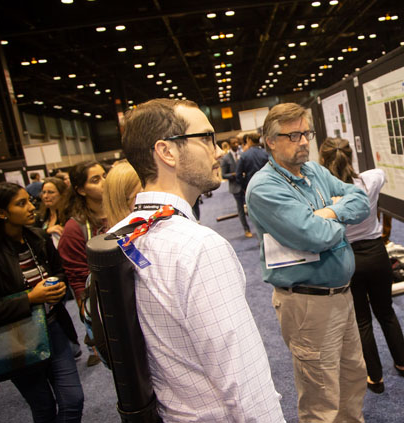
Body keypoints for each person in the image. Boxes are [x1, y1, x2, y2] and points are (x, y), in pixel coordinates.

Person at [117, 98, 283, 422]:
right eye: (206, 138)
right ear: (167, 152)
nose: (218, 150)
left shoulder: (121, 234)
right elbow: (245, 383)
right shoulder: (199, 248)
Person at [246, 103, 370, 423]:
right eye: (294, 135)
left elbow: (360, 200)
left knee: (352, 379)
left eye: (306, 134)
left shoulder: (314, 171)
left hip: (342, 294)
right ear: (270, 141)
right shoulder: (264, 188)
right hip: (307, 304)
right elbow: (315, 236)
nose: (304, 141)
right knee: (320, 399)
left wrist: (328, 212)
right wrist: (331, 216)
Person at [0, 182, 84, 422]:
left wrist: (57, 284)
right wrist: (29, 298)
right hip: (16, 340)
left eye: (29, 200)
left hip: (54, 327)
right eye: (21, 203)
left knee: (73, 401)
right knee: (44, 408)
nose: (31, 207)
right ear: (0, 212)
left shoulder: (37, 237)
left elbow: (59, 271)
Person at [319, 137, 404, 395]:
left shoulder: (324, 194)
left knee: (362, 320)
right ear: (350, 157)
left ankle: (376, 378)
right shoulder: (369, 180)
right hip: (376, 254)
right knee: (387, 312)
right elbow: (380, 173)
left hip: (347, 257)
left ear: (324, 161)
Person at [58, 160, 108, 367]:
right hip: (104, 306)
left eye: (105, 175)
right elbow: (79, 281)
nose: (104, 182)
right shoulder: (74, 230)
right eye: (96, 180)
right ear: (80, 190)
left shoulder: (123, 212)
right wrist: (91, 321)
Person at [220, 136, 253, 237]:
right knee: (241, 210)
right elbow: (223, 175)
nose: (236, 145)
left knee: (251, 207)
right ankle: (246, 229)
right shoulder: (225, 158)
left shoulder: (243, 154)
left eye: (237, 143)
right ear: (229, 145)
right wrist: (234, 175)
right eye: (233, 143)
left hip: (246, 185)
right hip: (235, 187)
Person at [35, 176, 69, 248]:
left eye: (50, 192)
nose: (45, 196)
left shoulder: (69, 215)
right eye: (44, 192)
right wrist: (46, 232)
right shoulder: (41, 216)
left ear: (62, 194)